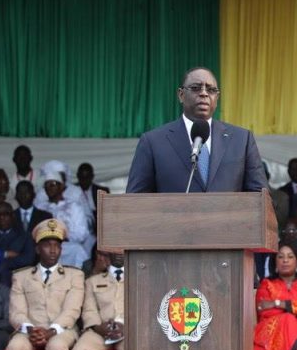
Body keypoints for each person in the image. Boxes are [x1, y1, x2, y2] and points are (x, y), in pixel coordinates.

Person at [126, 67, 267, 193]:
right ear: (181, 95)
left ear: (216, 98)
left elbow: (260, 197)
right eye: (196, 88)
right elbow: (136, 200)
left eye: (211, 90)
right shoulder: (153, 142)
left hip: (229, 222)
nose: (204, 94)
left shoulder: (241, 140)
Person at [6, 219, 85, 350]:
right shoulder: (21, 276)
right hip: (30, 329)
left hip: (61, 330)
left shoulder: (74, 275)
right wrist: (31, 329)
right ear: (37, 248)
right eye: (48, 245)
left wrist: (50, 331)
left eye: (57, 245)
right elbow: (16, 312)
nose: (53, 250)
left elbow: (72, 310)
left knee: (58, 348)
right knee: (14, 348)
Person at [36, 162, 91, 267]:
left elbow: (82, 233)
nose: (49, 188)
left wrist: (62, 236)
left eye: (52, 184)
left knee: (77, 250)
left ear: (61, 186)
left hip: (68, 246)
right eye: (46, 186)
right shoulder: (40, 207)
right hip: (45, 247)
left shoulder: (74, 206)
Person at [0, 201, 35, 278]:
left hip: (19, 278)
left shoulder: (25, 236)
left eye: (5, 214)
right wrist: (6, 254)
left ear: (13, 216)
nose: (1, 218)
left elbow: (28, 260)